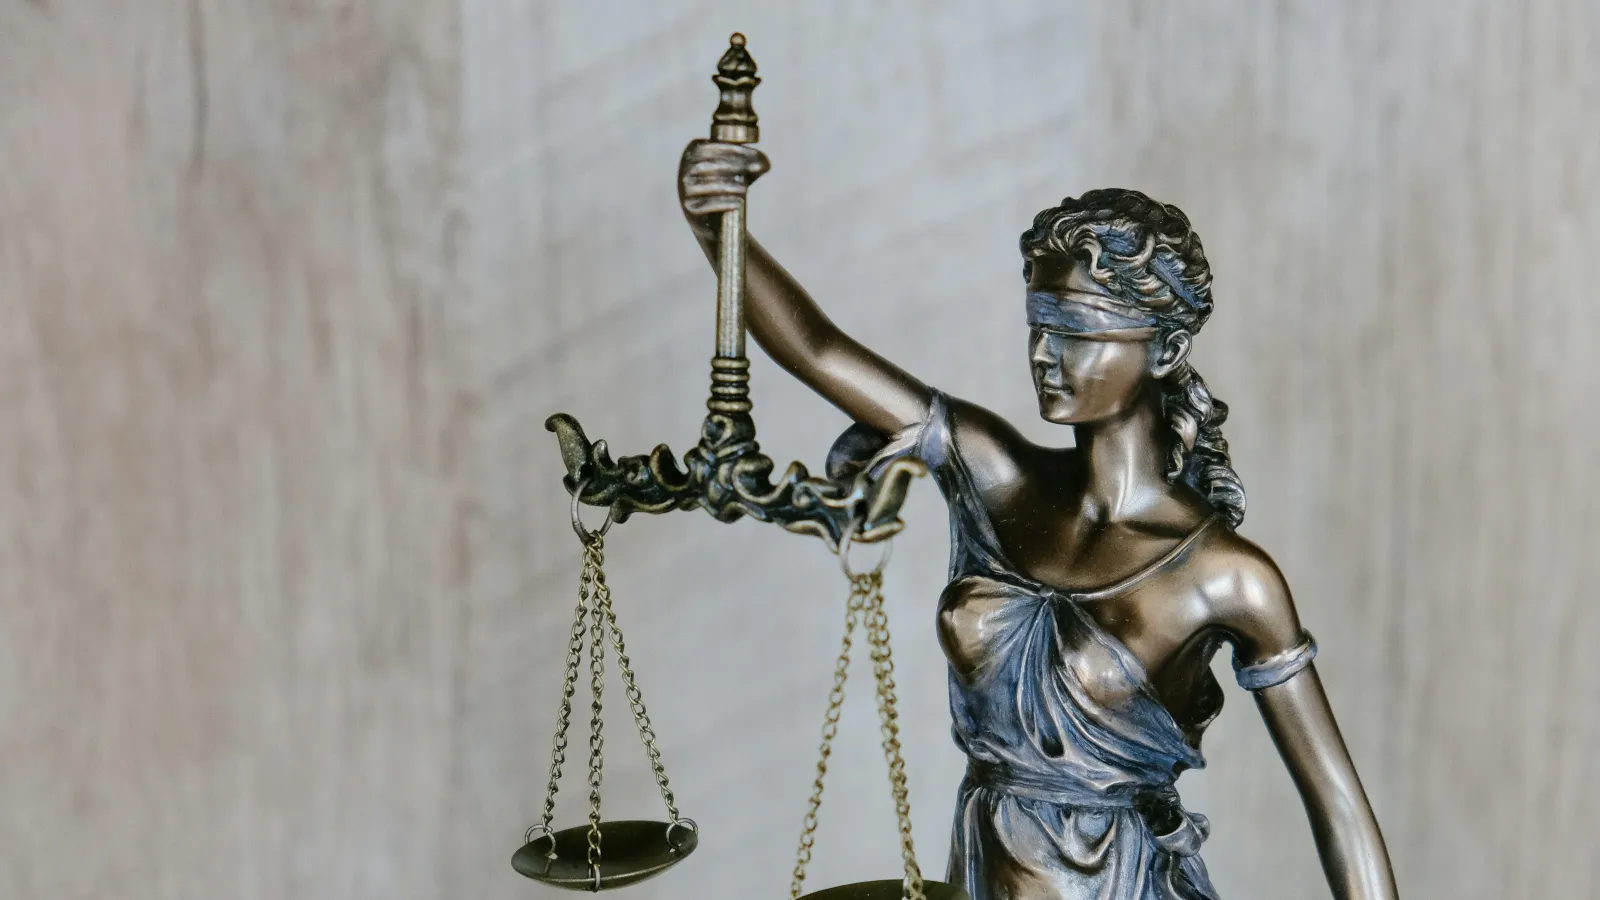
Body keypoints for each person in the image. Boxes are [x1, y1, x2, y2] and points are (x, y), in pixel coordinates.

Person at [679, 140, 1398, 900]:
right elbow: (820, 350)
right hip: (986, 874)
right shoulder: (994, 475)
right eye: (1040, 326)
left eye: (1080, 333)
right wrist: (717, 230)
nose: (1047, 357)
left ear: (1168, 347)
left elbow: (1340, 808)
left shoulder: (1227, 577)